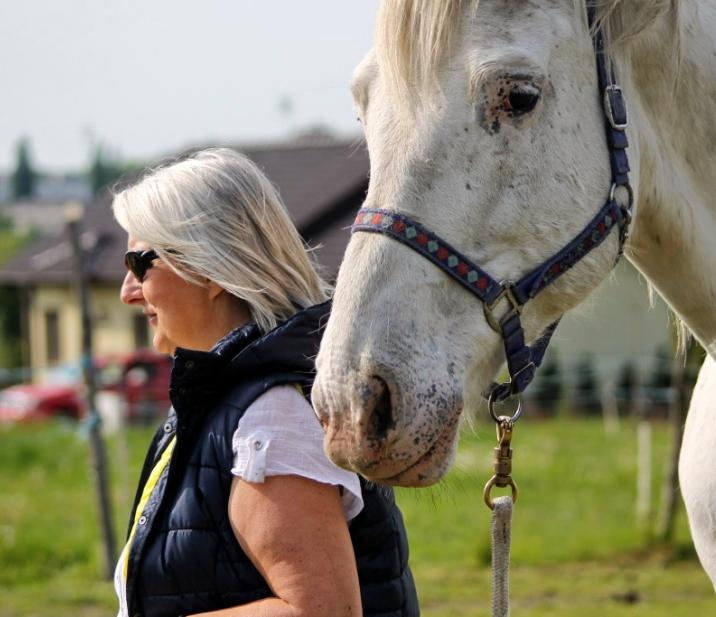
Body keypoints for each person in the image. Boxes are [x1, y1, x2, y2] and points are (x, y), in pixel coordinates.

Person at [112, 147, 419, 617]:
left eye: (139, 265)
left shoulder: (272, 415)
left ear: (207, 266)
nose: (127, 292)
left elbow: (322, 612)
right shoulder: (222, 401)